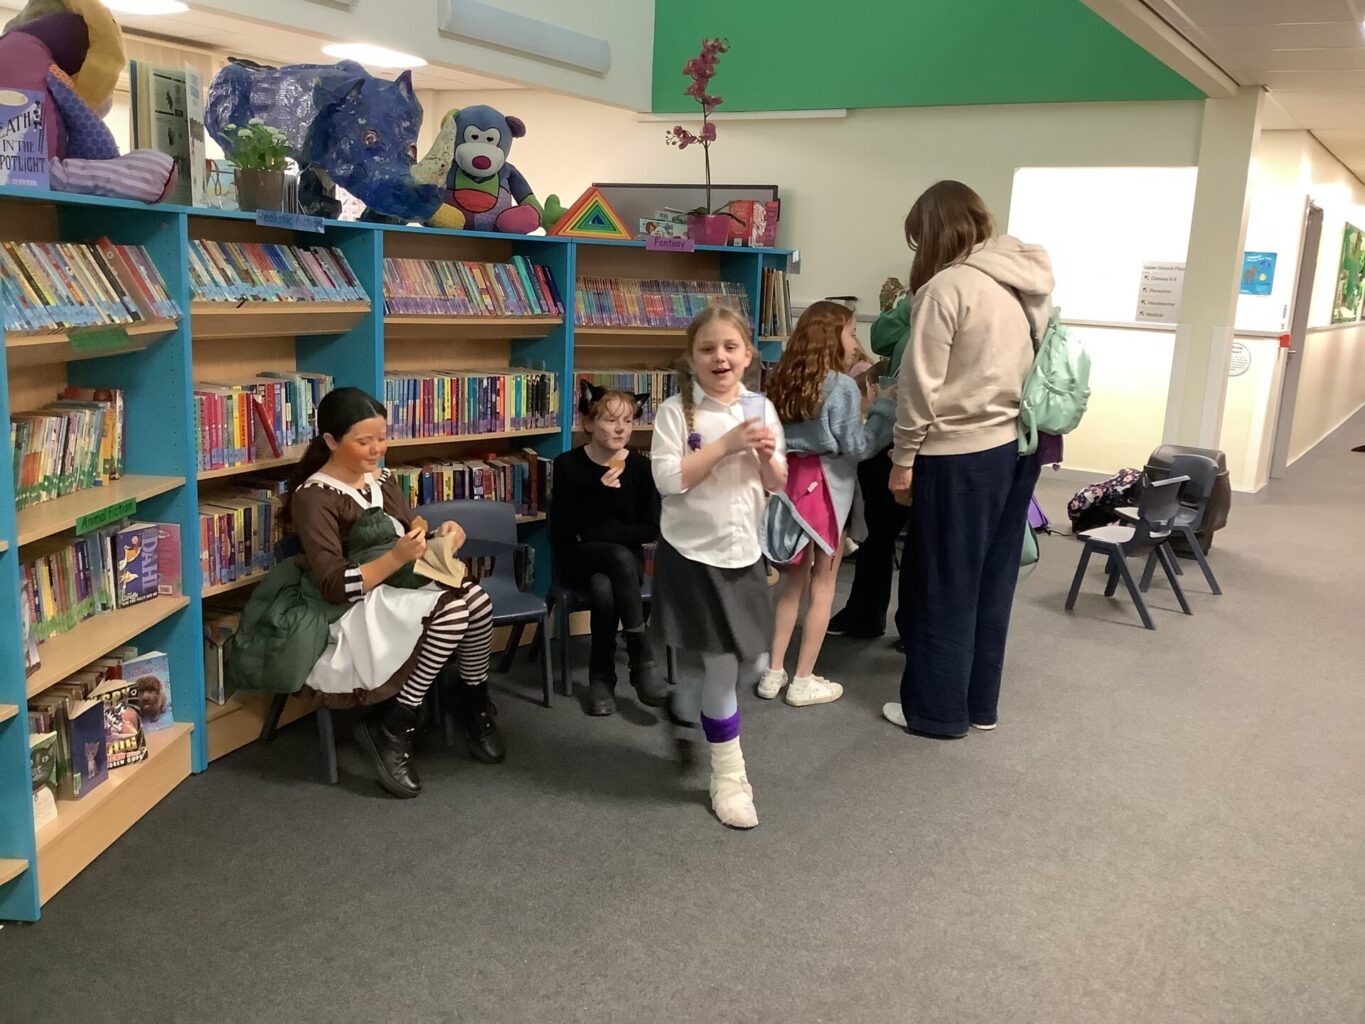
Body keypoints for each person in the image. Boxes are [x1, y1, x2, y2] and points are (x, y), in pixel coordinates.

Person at [885, 180, 1051, 738]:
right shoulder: (1023, 281)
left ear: (933, 231)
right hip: (1015, 448)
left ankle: (936, 712)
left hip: (957, 454)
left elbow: (920, 387)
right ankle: (980, 704)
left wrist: (902, 458)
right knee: (991, 582)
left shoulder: (946, 288)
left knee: (942, 583)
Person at [282, 387, 499, 797]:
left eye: (382, 438)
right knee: (453, 613)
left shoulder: (381, 479)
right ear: (331, 441)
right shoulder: (314, 497)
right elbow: (333, 585)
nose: (377, 449)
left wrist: (440, 538)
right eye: (364, 441)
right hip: (353, 602)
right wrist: (398, 557)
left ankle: (473, 701)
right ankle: (394, 724)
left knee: (479, 602)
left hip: (398, 582)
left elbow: (406, 531)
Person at [651, 305, 787, 829]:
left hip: (742, 554)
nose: (720, 357)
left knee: (749, 662)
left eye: (730, 347)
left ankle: (686, 705)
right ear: (691, 359)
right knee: (724, 669)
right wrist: (727, 445)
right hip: (692, 556)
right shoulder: (675, 413)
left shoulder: (761, 407)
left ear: (748, 355)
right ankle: (729, 779)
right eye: (707, 348)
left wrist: (764, 456)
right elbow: (670, 481)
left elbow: (776, 482)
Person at [757, 300, 895, 705]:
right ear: (833, 336)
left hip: (790, 486)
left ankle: (774, 672)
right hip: (828, 490)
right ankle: (803, 679)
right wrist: (884, 409)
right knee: (824, 585)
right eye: (851, 331)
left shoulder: (781, 377)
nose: (854, 340)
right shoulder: (841, 386)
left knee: (793, 584)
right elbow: (858, 446)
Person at [549, 381, 664, 716]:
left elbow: (651, 527)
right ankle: (641, 658)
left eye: (627, 421)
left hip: (625, 563)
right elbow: (564, 531)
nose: (620, 429)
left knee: (604, 586)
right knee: (614, 558)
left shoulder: (641, 468)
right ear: (589, 424)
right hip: (578, 558)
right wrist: (598, 495)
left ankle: (601, 678)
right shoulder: (567, 465)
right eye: (611, 420)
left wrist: (605, 532)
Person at [827, 287, 914, 640]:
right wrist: (908, 304)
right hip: (894, 430)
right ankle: (865, 615)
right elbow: (880, 339)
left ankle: (913, 627)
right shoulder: (915, 305)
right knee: (878, 529)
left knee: (919, 541)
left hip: (928, 435)